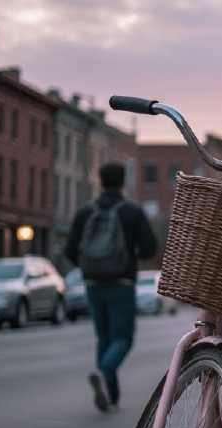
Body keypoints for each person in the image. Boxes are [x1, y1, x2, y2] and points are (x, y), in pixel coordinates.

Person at [65, 162, 158, 412]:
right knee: (123, 338)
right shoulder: (131, 212)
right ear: (122, 182)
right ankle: (104, 372)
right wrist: (127, 256)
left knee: (104, 337)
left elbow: (71, 251)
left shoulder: (85, 212)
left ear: (100, 181)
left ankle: (111, 395)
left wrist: (91, 266)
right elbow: (150, 247)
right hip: (122, 283)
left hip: (93, 284)